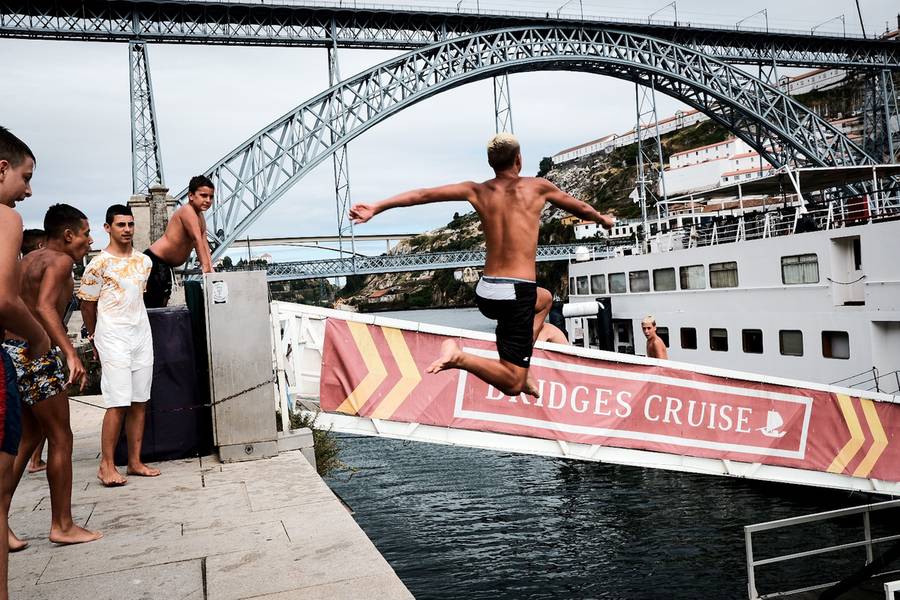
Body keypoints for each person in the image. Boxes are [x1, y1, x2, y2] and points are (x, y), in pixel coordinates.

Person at [349, 133, 614, 397]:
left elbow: (423, 194)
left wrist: (377, 206)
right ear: (519, 160)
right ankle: (461, 358)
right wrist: (602, 219)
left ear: (491, 164)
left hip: (486, 292)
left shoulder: (476, 190)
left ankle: (523, 362)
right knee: (512, 385)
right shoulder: (537, 187)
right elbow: (580, 207)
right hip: (514, 294)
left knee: (544, 299)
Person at [2, 204, 102, 547]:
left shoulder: (27, 260)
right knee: (61, 437)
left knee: (28, 438)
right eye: (86, 233)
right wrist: (71, 353)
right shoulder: (60, 262)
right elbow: (45, 307)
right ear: (68, 234)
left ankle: (2, 524)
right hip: (38, 354)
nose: (90, 240)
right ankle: (62, 523)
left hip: (13, 352)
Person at [0, 125, 50, 600]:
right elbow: (4, 297)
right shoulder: (5, 218)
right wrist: (38, 338)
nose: (27, 190)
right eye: (25, 177)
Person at [78, 205, 160, 486]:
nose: (126, 229)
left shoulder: (144, 262)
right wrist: (95, 336)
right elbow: (87, 304)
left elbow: (138, 297)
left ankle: (135, 462)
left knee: (140, 400)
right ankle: (106, 465)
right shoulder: (98, 264)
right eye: (120, 225)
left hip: (140, 335)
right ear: (107, 228)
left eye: (130, 224)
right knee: (117, 401)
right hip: (112, 336)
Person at [143, 175, 215, 308]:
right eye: (203, 195)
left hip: (164, 265)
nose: (208, 200)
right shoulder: (187, 211)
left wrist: (211, 269)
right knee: (154, 307)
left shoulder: (200, 216)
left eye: (211, 197)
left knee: (162, 303)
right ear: (191, 196)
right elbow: (196, 239)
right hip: (154, 261)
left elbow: (204, 242)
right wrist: (205, 269)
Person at [19, 229, 48, 474]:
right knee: (57, 427)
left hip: (12, 350)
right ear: (41, 246)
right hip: (36, 348)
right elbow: (45, 309)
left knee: (29, 427)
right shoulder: (44, 271)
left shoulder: (13, 271)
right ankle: (36, 460)